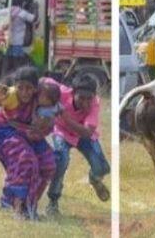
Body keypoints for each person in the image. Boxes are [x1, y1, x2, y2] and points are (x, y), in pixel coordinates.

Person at [0, 67, 56, 220]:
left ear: (35, 89)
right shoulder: (12, 96)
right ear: (16, 87)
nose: (25, 92)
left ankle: (31, 206)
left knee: (48, 164)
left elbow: (51, 119)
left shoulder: (42, 96)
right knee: (25, 160)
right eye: (21, 87)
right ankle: (17, 207)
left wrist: (42, 126)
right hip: (2, 130)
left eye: (29, 88)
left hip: (27, 132)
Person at [46, 77, 110, 216]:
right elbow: (44, 81)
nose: (86, 103)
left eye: (89, 98)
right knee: (61, 160)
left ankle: (94, 179)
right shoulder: (61, 92)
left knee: (102, 168)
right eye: (81, 98)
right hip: (62, 132)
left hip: (83, 136)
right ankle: (53, 201)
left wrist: (66, 118)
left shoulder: (94, 104)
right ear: (72, 93)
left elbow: (87, 132)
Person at [2, 0, 36, 76]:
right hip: (18, 42)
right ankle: (17, 77)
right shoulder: (22, 13)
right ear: (19, 3)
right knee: (17, 63)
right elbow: (33, 19)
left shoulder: (4, 12)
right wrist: (36, 9)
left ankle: (5, 77)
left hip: (6, 42)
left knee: (7, 62)